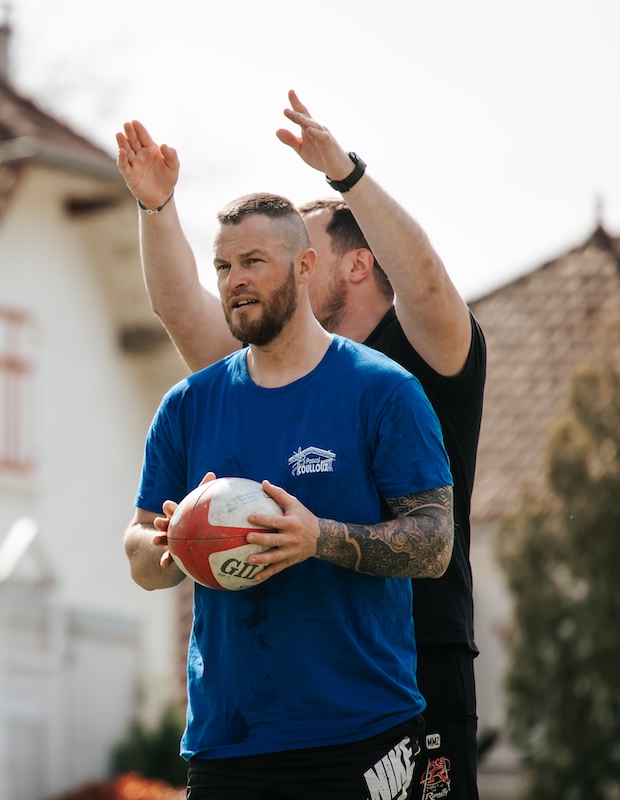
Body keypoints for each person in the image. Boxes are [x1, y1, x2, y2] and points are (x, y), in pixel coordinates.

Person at [116, 92, 486, 800]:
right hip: (234, 739)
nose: (235, 280)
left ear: (320, 264)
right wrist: (158, 208)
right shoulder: (205, 395)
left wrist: (344, 174)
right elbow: (178, 308)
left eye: (257, 259)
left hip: (400, 679)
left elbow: (428, 281)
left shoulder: (407, 370)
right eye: (226, 266)